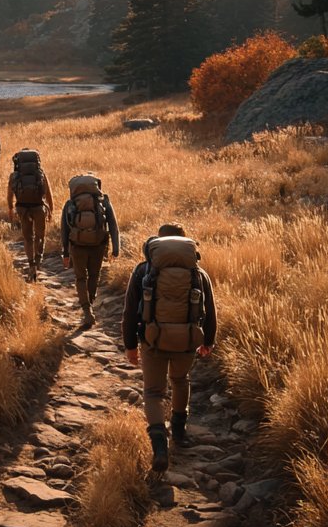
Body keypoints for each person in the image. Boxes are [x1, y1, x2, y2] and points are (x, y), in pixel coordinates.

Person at [121, 223, 216, 473]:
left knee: (153, 392)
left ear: (155, 245)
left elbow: (129, 311)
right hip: (187, 340)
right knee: (180, 380)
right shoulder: (198, 273)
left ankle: (160, 446)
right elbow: (210, 311)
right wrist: (208, 341)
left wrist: (130, 345)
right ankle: (179, 430)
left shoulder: (143, 270)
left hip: (152, 339)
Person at [60, 172, 120, 330]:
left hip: (77, 246)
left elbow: (64, 230)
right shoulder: (103, 201)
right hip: (98, 245)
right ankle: (90, 304)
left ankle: (86, 311)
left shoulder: (70, 204)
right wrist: (116, 249)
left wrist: (65, 253)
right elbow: (113, 225)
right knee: (94, 275)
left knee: (80, 278)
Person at [6, 148, 52, 281]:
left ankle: (31, 263)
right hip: (39, 207)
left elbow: (9, 195)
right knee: (40, 235)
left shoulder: (14, 175)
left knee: (27, 238)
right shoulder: (41, 174)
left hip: (22, 208)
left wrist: (10, 209)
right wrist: (51, 209)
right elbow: (48, 193)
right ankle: (38, 260)